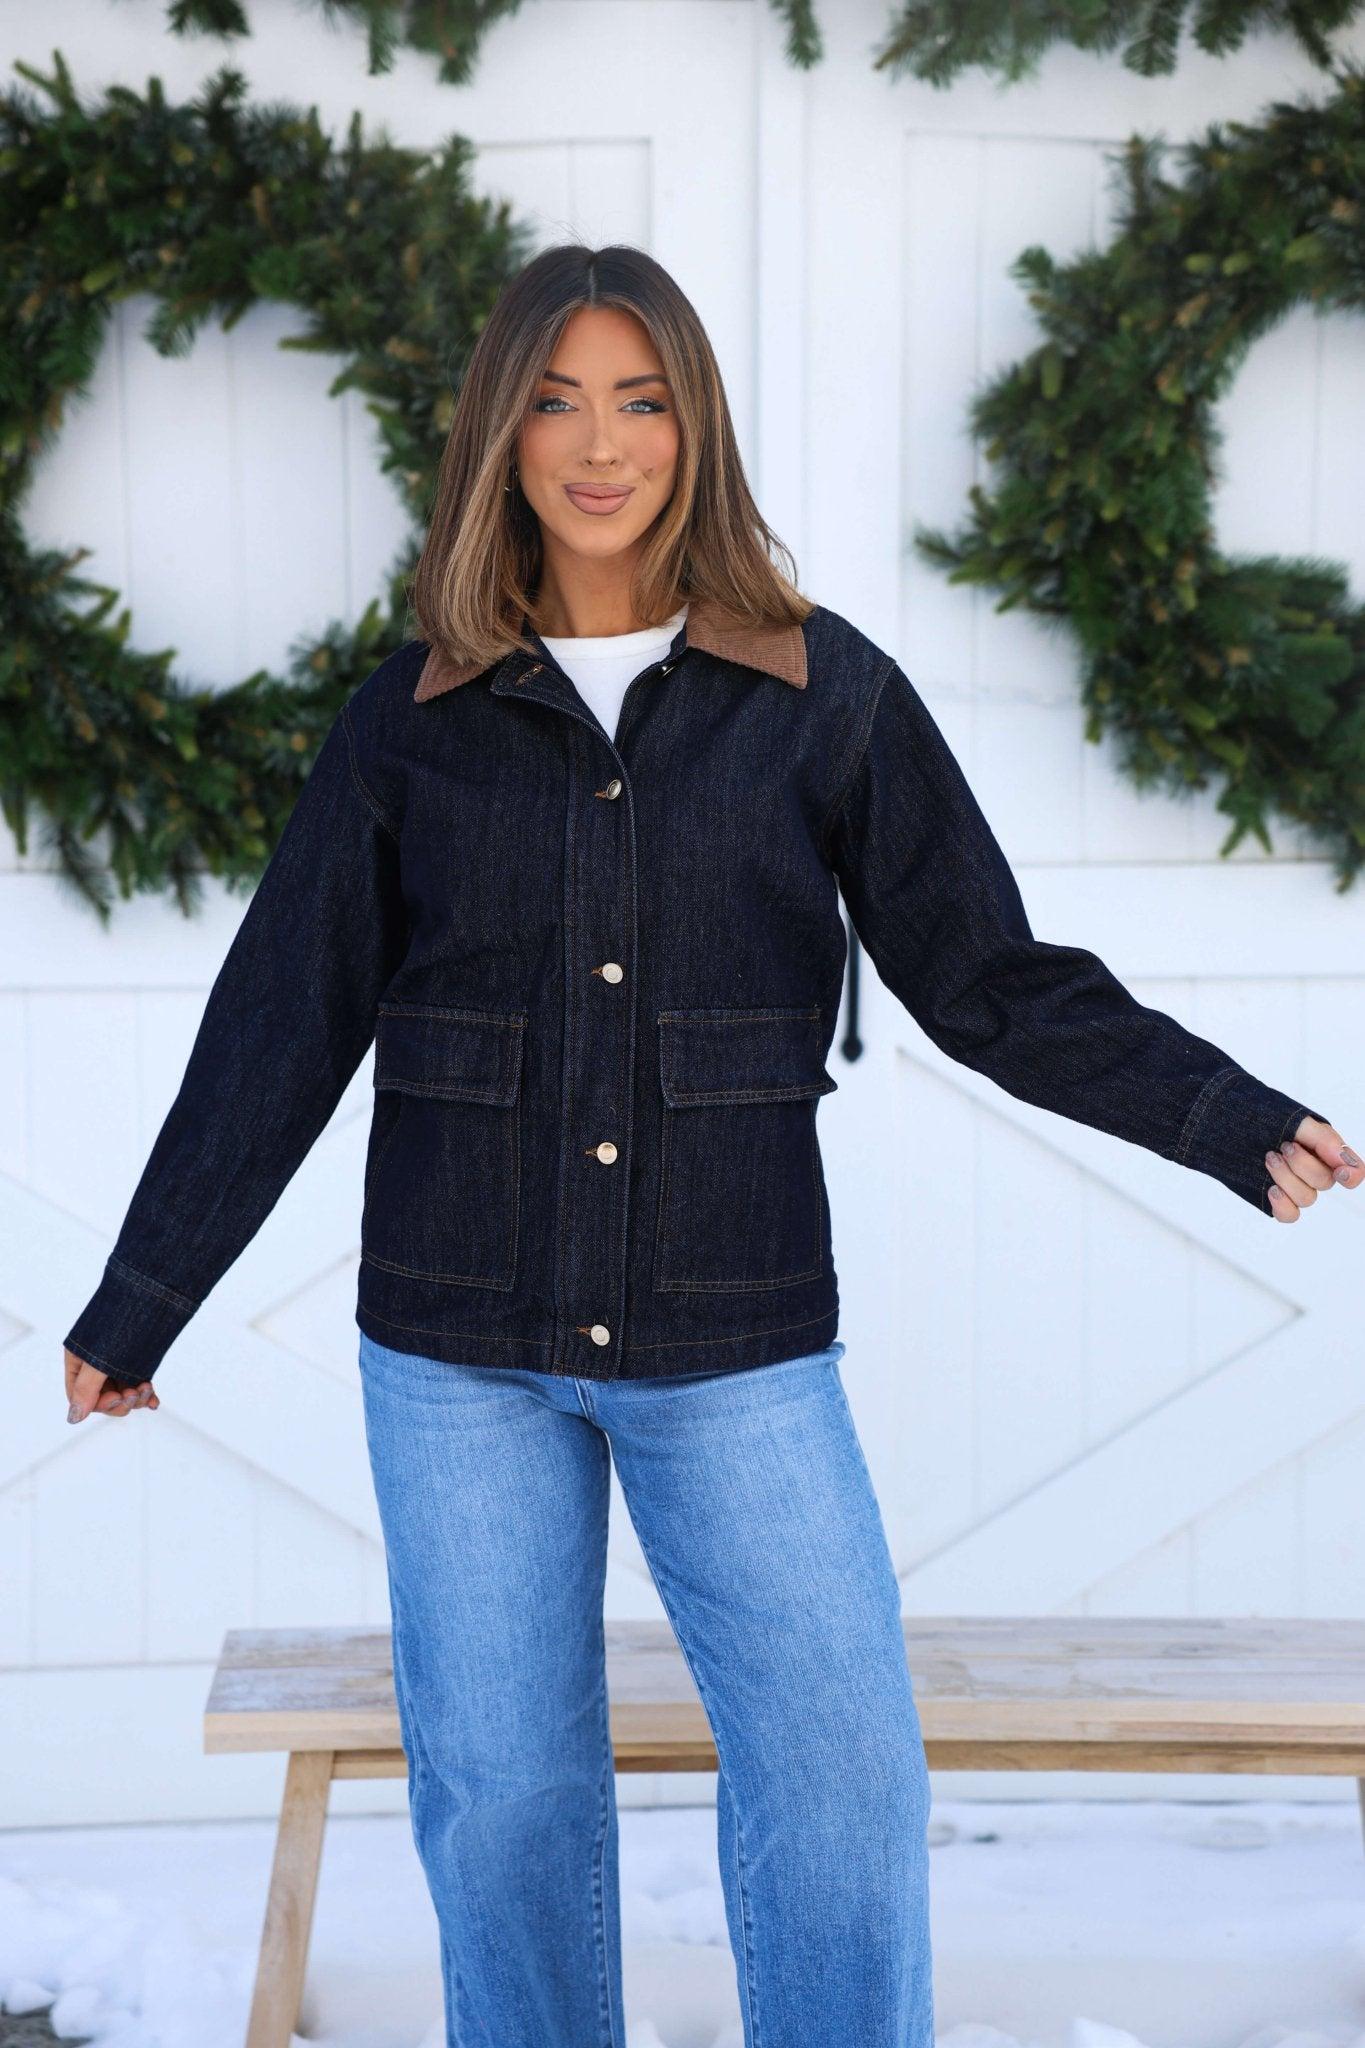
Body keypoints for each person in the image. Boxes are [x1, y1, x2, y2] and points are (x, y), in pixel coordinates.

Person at [62, 243, 1359, 2048]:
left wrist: (1222, 1116)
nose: (601, 445)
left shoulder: (821, 694)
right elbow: (281, 1016)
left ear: (696, 427)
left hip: (731, 1332)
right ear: (499, 434)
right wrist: (143, 1299)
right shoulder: (412, 716)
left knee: (839, 1778)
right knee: (501, 1800)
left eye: (642, 399)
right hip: (455, 1345)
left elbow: (985, 978)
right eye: (556, 401)